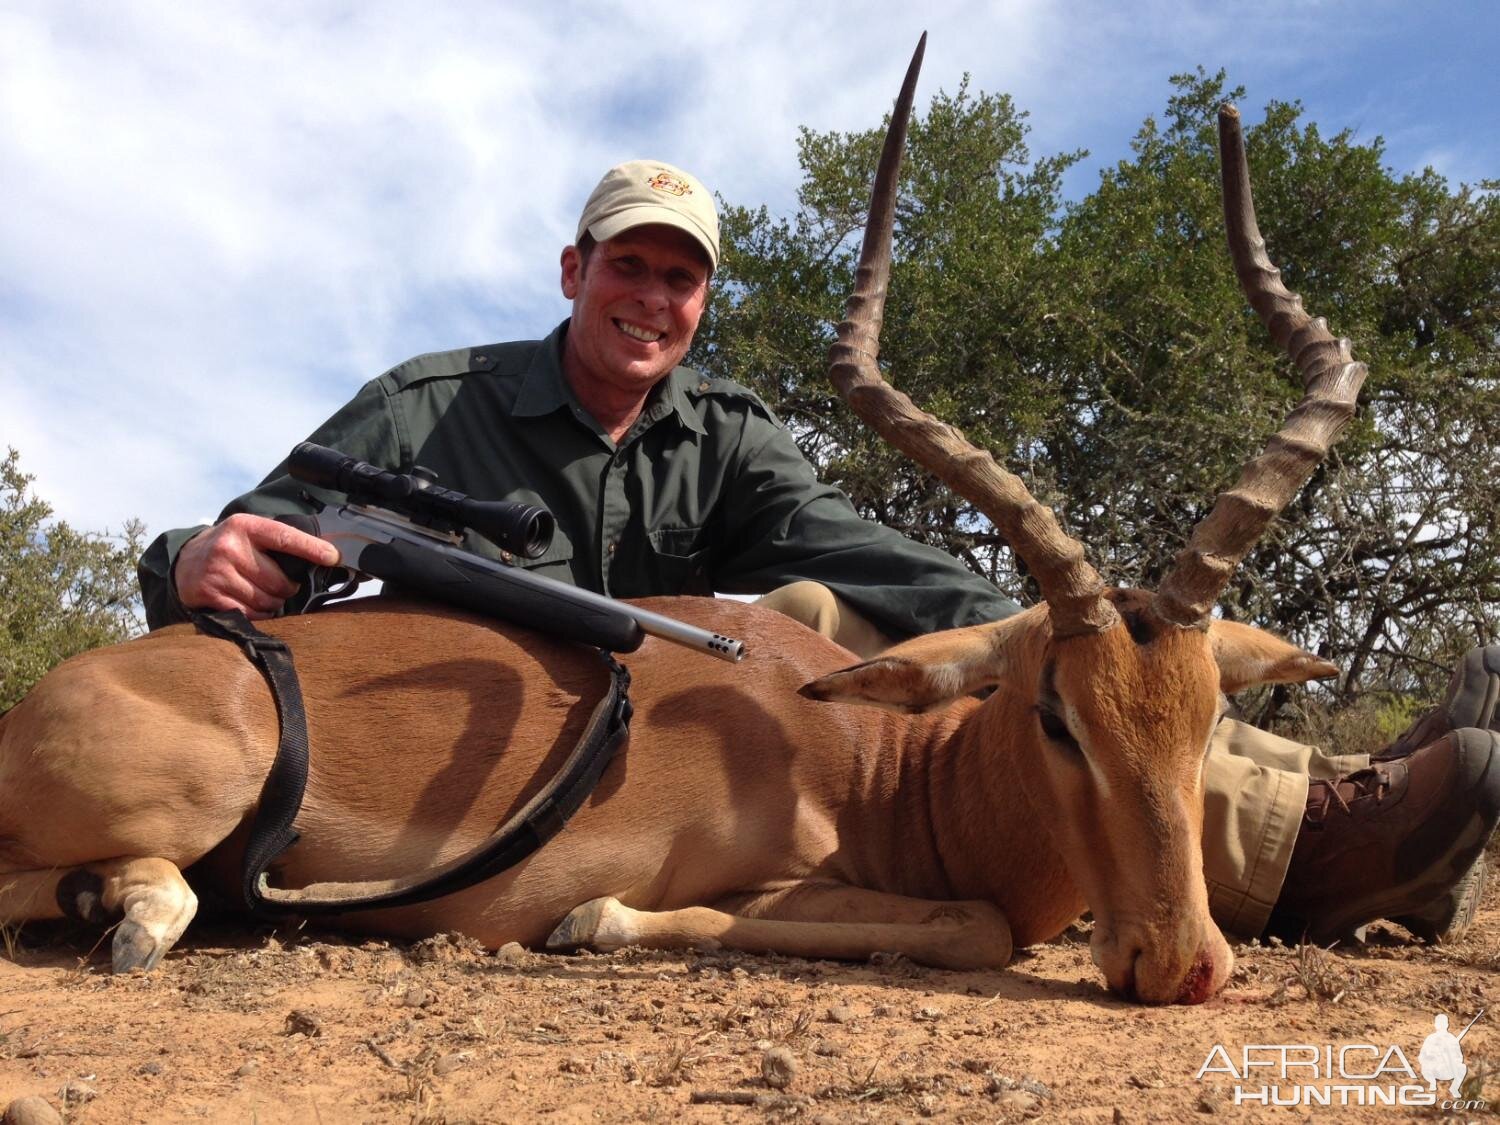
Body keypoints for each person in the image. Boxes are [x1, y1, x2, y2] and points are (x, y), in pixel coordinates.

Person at [138, 158, 1500, 947]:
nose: (652, 297)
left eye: (681, 278)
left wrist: (1095, 641)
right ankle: (1302, 844)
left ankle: (1309, 794)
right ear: (573, 270)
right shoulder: (426, 403)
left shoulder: (721, 432)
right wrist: (195, 556)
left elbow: (885, 571)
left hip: (664, 719)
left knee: (827, 612)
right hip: (505, 748)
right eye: (629, 266)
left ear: (703, 299)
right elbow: (255, 535)